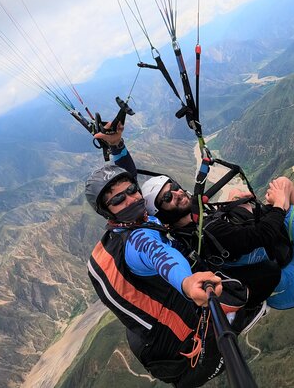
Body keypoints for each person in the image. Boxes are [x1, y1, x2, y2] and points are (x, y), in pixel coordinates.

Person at [95, 124, 294, 310]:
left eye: (175, 187)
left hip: (258, 264)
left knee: (234, 194)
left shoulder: (186, 230)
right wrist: (280, 205)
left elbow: (130, 191)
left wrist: (117, 147)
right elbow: (265, 233)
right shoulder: (212, 232)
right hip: (289, 273)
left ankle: (284, 216)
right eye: (167, 198)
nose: (178, 194)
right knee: (283, 185)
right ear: (163, 214)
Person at [85, 164, 233, 387]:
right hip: (183, 355)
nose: (131, 199)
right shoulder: (137, 240)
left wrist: (117, 146)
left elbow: (129, 174)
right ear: (107, 211)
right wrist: (186, 281)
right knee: (242, 296)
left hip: (148, 340)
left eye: (132, 190)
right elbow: (159, 256)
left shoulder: (130, 223)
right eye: (117, 200)